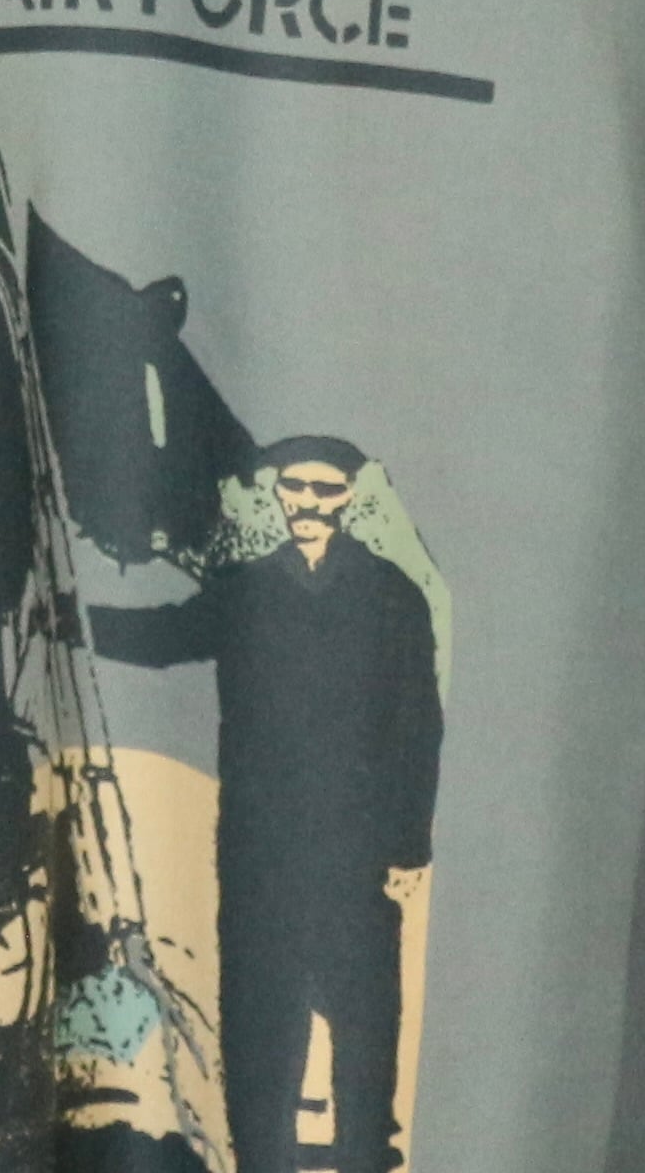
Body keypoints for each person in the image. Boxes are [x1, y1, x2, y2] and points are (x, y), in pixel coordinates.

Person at [94, 439, 441, 1173]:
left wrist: (407, 845)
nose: (308, 504)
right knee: (260, 1029)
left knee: (364, 1028)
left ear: (349, 497)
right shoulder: (247, 590)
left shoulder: (392, 597)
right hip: (260, 853)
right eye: (295, 489)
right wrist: (69, 617)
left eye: (324, 491)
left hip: (355, 856)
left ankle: (364, 1159)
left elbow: (419, 728)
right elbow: (165, 635)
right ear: (279, 493)